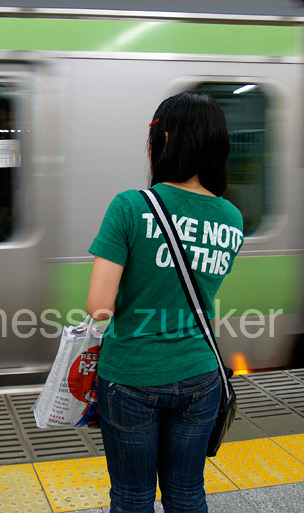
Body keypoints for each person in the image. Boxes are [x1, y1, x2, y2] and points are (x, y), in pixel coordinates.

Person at [86, 91, 243, 513]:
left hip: (132, 376)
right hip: (201, 374)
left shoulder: (131, 206)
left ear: (165, 139)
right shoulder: (231, 216)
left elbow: (99, 307)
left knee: (134, 496)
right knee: (187, 492)